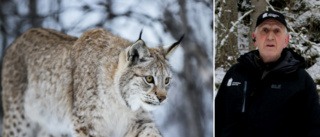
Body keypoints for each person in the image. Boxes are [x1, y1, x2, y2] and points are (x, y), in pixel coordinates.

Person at [215, 10, 320, 137]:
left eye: (277, 31)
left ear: (286, 40)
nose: (270, 36)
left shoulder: (301, 81)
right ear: (255, 38)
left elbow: (314, 128)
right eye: (265, 30)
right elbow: (216, 119)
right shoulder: (235, 73)